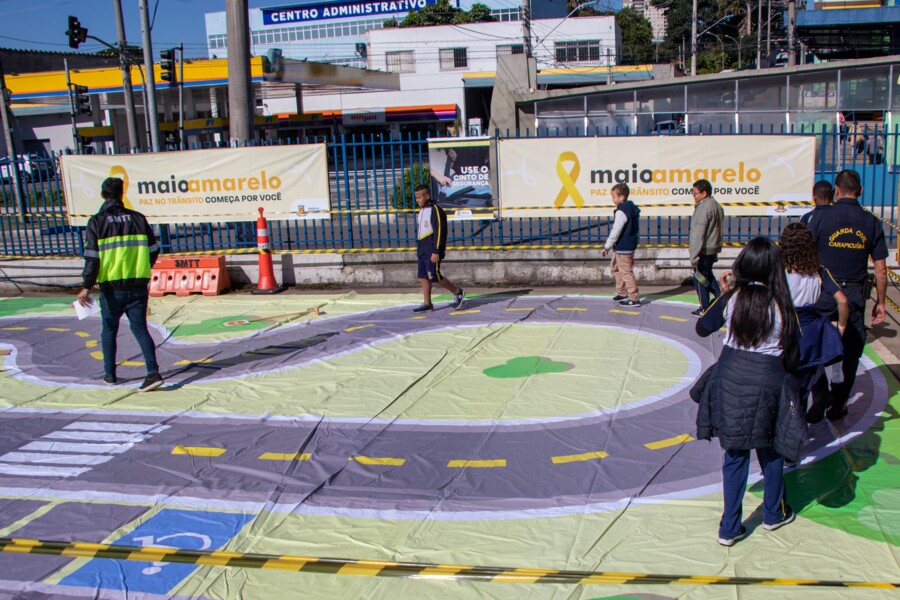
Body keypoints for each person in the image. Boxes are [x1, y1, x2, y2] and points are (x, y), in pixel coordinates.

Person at [692, 237, 798, 546]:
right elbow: (793, 358)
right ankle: (773, 514)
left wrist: (724, 292)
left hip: (731, 379)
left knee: (735, 453)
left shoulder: (733, 299)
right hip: (768, 381)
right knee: (772, 450)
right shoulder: (782, 306)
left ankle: (729, 527)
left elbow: (703, 327)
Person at [806, 169, 888, 422]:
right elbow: (881, 269)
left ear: (836, 191)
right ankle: (838, 403)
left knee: (814, 345)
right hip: (853, 294)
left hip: (823, 292)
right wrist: (881, 302)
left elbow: (805, 256)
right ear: (860, 191)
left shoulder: (820, 218)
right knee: (851, 351)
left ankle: (820, 391)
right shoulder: (871, 222)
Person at [76, 177, 164, 392]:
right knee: (141, 329)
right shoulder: (139, 219)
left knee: (109, 330)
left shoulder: (96, 221)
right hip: (138, 284)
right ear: (122, 193)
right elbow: (154, 251)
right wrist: (142, 268)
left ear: (103, 195)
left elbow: (92, 257)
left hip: (111, 287)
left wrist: (86, 285)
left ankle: (110, 374)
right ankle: (153, 372)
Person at [779, 223, 848, 405]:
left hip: (784, 328)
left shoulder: (779, 270)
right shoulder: (819, 272)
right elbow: (842, 300)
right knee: (804, 384)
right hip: (810, 331)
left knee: (781, 382)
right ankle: (800, 417)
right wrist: (841, 326)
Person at [412, 184, 465, 312]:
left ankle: (457, 291)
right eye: (416, 198)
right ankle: (427, 303)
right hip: (422, 249)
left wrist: (436, 251)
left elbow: (439, 231)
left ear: (427, 196)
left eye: (419, 197)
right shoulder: (422, 210)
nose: (417, 200)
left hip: (432, 250)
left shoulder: (435, 209)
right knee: (423, 276)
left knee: (434, 275)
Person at [689, 179, 725, 316]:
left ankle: (705, 306)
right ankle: (719, 297)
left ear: (704, 193)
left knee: (699, 278)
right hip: (712, 247)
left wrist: (693, 256)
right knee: (707, 274)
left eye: (695, 193)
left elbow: (698, 234)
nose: (693, 195)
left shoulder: (703, 208)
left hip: (703, 249)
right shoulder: (716, 205)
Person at [602, 183, 641, 307]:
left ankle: (634, 298)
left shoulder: (622, 210)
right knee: (615, 267)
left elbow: (616, 229)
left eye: (614, 197)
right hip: (622, 247)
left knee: (626, 272)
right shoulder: (629, 208)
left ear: (621, 197)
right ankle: (622, 292)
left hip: (624, 247)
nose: (612, 200)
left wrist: (607, 246)